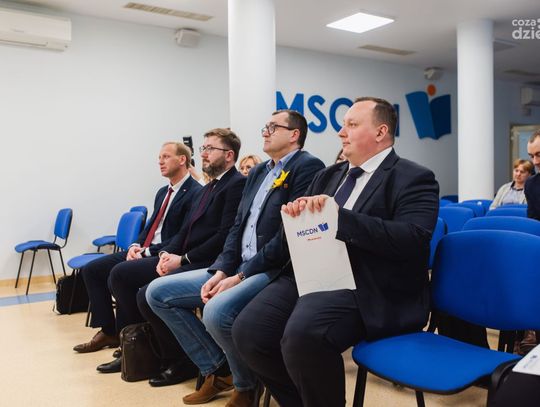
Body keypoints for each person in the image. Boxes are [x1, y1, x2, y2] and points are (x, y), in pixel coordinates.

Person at [232, 97, 439, 407]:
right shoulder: (328, 175)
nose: (341, 133)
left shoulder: (414, 177)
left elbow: (413, 238)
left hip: (368, 285)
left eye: (352, 125)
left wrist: (339, 218)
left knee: (303, 336)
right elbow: (298, 231)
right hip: (313, 275)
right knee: (249, 332)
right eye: (343, 125)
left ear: (381, 132)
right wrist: (297, 216)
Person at [145, 109, 325, 406]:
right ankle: (217, 369)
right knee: (157, 293)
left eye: (273, 127)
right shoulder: (258, 172)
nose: (265, 131)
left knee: (216, 313)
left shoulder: (308, 167)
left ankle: (246, 386)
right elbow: (237, 227)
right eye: (265, 126)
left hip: (271, 269)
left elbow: (287, 237)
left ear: (294, 135)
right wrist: (221, 270)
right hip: (237, 265)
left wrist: (240, 276)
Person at [96, 129, 246, 375]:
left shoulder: (236, 184)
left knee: (143, 292)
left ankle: (178, 359)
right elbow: (186, 231)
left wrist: (182, 259)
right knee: (123, 277)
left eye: (210, 149)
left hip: (210, 262)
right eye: (203, 149)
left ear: (229, 155)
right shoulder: (210, 187)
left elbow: (224, 236)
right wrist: (167, 254)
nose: (203, 154)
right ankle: (141, 348)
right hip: (188, 257)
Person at [73, 142, 202, 355]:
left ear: (182, 160)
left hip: (166, 254)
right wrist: (136, 245)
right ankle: (109, 331)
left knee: (120, 274)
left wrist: (148, 252)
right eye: (159, 157)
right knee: (92, 270)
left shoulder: (195, 192)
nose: (160, 161)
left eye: (166, 156)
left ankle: (133, 339)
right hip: (146, 249)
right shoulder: (163, 192)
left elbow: (183, 236)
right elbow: (151, 225)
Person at [525, 130, 540, 220]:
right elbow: (533, 221)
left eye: (539, 155)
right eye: (531, 156)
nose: (535, 162)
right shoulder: (531, 184)